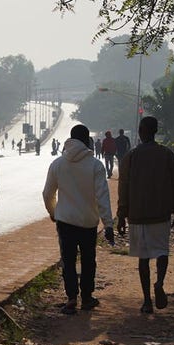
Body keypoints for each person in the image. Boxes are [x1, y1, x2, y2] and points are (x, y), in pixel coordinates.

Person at [43, 124, 115, 314]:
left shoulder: (57, 164)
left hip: (65, 220)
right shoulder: (95, 166)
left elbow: (47, 193)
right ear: (87, 141)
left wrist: (53, 212)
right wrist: (108, 224)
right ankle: (87, 297)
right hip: (88, 221)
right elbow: (102, 196)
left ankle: (71, 298)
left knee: (68, 260)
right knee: (88, 260)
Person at [117, 116, 174, 314]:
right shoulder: (167, 155)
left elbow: (124, 188)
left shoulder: (131, 157)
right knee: (162, 252)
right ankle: (159, 283)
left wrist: (122, 214)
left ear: (141, 131)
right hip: (161, 213)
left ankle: (147, 300)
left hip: (137, 215)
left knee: (143, 258)